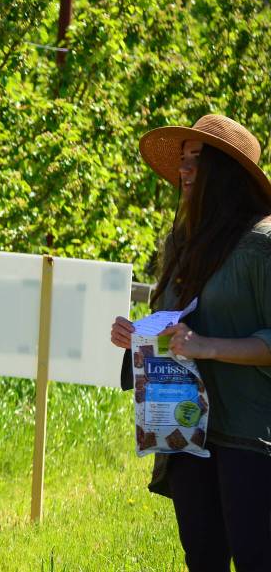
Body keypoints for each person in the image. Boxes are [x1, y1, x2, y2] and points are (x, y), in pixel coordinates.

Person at [109, 114, 271, 572]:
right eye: (182, 161)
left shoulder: (263, 243)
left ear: (227, 171)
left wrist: (207, 346)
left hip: (251, 436)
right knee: (202, 559)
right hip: (186, 430)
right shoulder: (182, 241)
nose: (183, 171)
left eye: (196, 160)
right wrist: (136, 335)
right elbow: (173, 322)